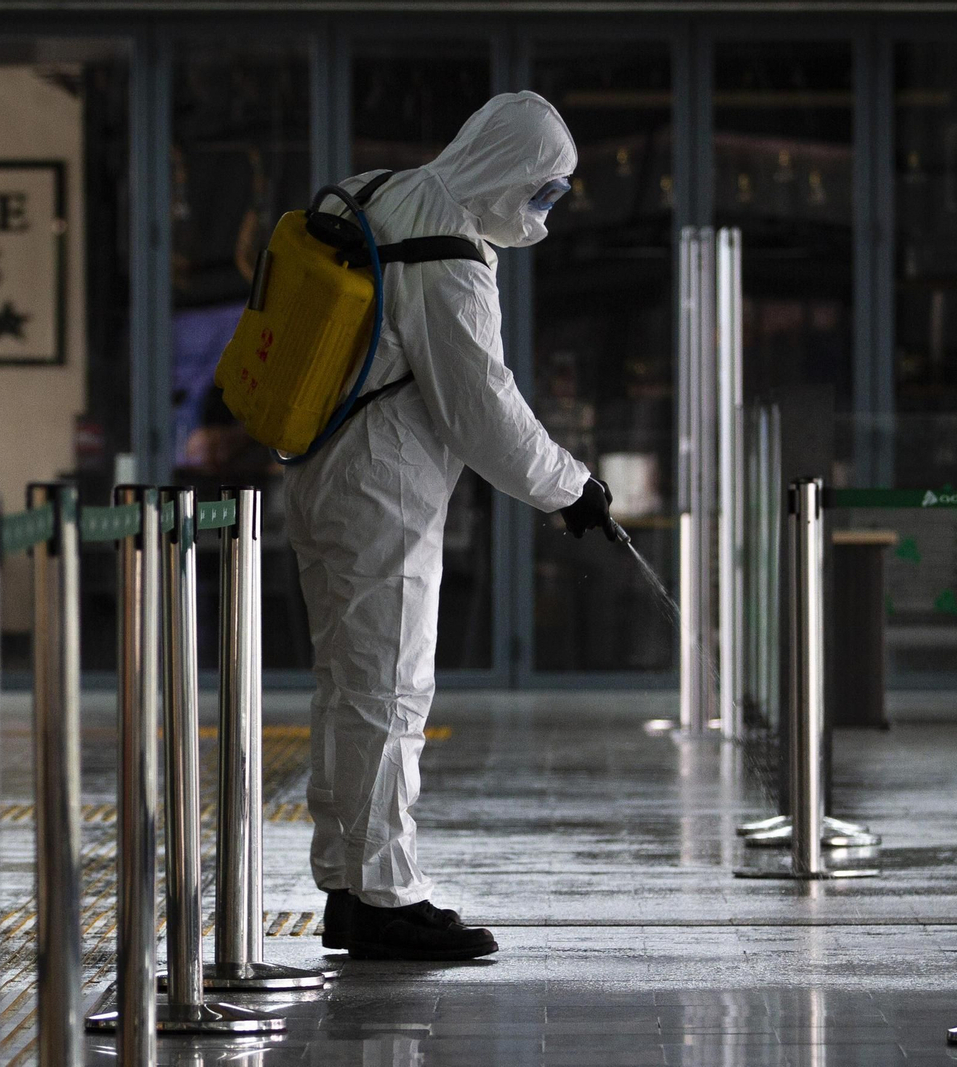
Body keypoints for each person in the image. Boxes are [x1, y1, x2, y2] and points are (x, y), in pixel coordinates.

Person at [284, 91, 618, 961]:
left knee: (346, 688)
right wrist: (570, 488)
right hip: (381, 489)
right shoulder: (450, 246)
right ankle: (388, 894)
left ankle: (348, 887)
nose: (542, 211)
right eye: (543, 190)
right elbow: (481, 410)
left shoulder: (383, 191)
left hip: (320, 466)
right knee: (389, 691)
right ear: (508, 168)